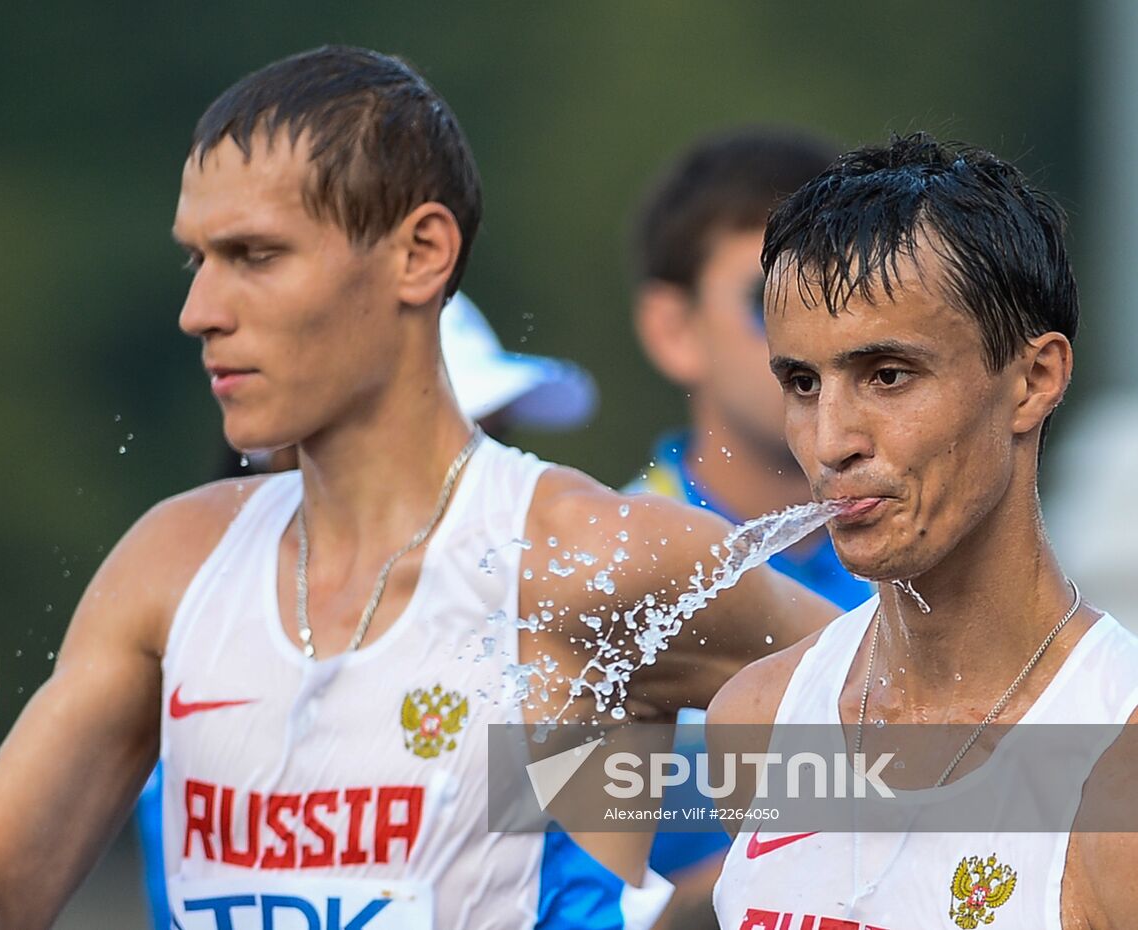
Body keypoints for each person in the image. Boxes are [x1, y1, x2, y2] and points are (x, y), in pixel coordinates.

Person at [0, 46, 833, 930]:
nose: (199, 311)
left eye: (254, 256)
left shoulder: (588, 560)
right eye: (197, 260)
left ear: (419, 254)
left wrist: (700, 907)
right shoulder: (170, 566)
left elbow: (923, 778)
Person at [707, 133, 1138, 928]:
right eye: (802, 383)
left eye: (887, 375)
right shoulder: (758, 719)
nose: (832, 441)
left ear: (1033, 381)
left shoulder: (1115, 768)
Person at [132, 290, 600, 930]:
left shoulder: (551, 665)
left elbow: (608, 891)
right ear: (293, 455)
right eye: (441, 452)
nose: (489, 487)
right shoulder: (179, 654)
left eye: (496, 443)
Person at [627, 128, 872, 927]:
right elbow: (554, 892)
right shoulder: (597, 572)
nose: (811, 333)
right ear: (674, 330)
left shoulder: (936, 563)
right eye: (767, 299)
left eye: (842, 297)